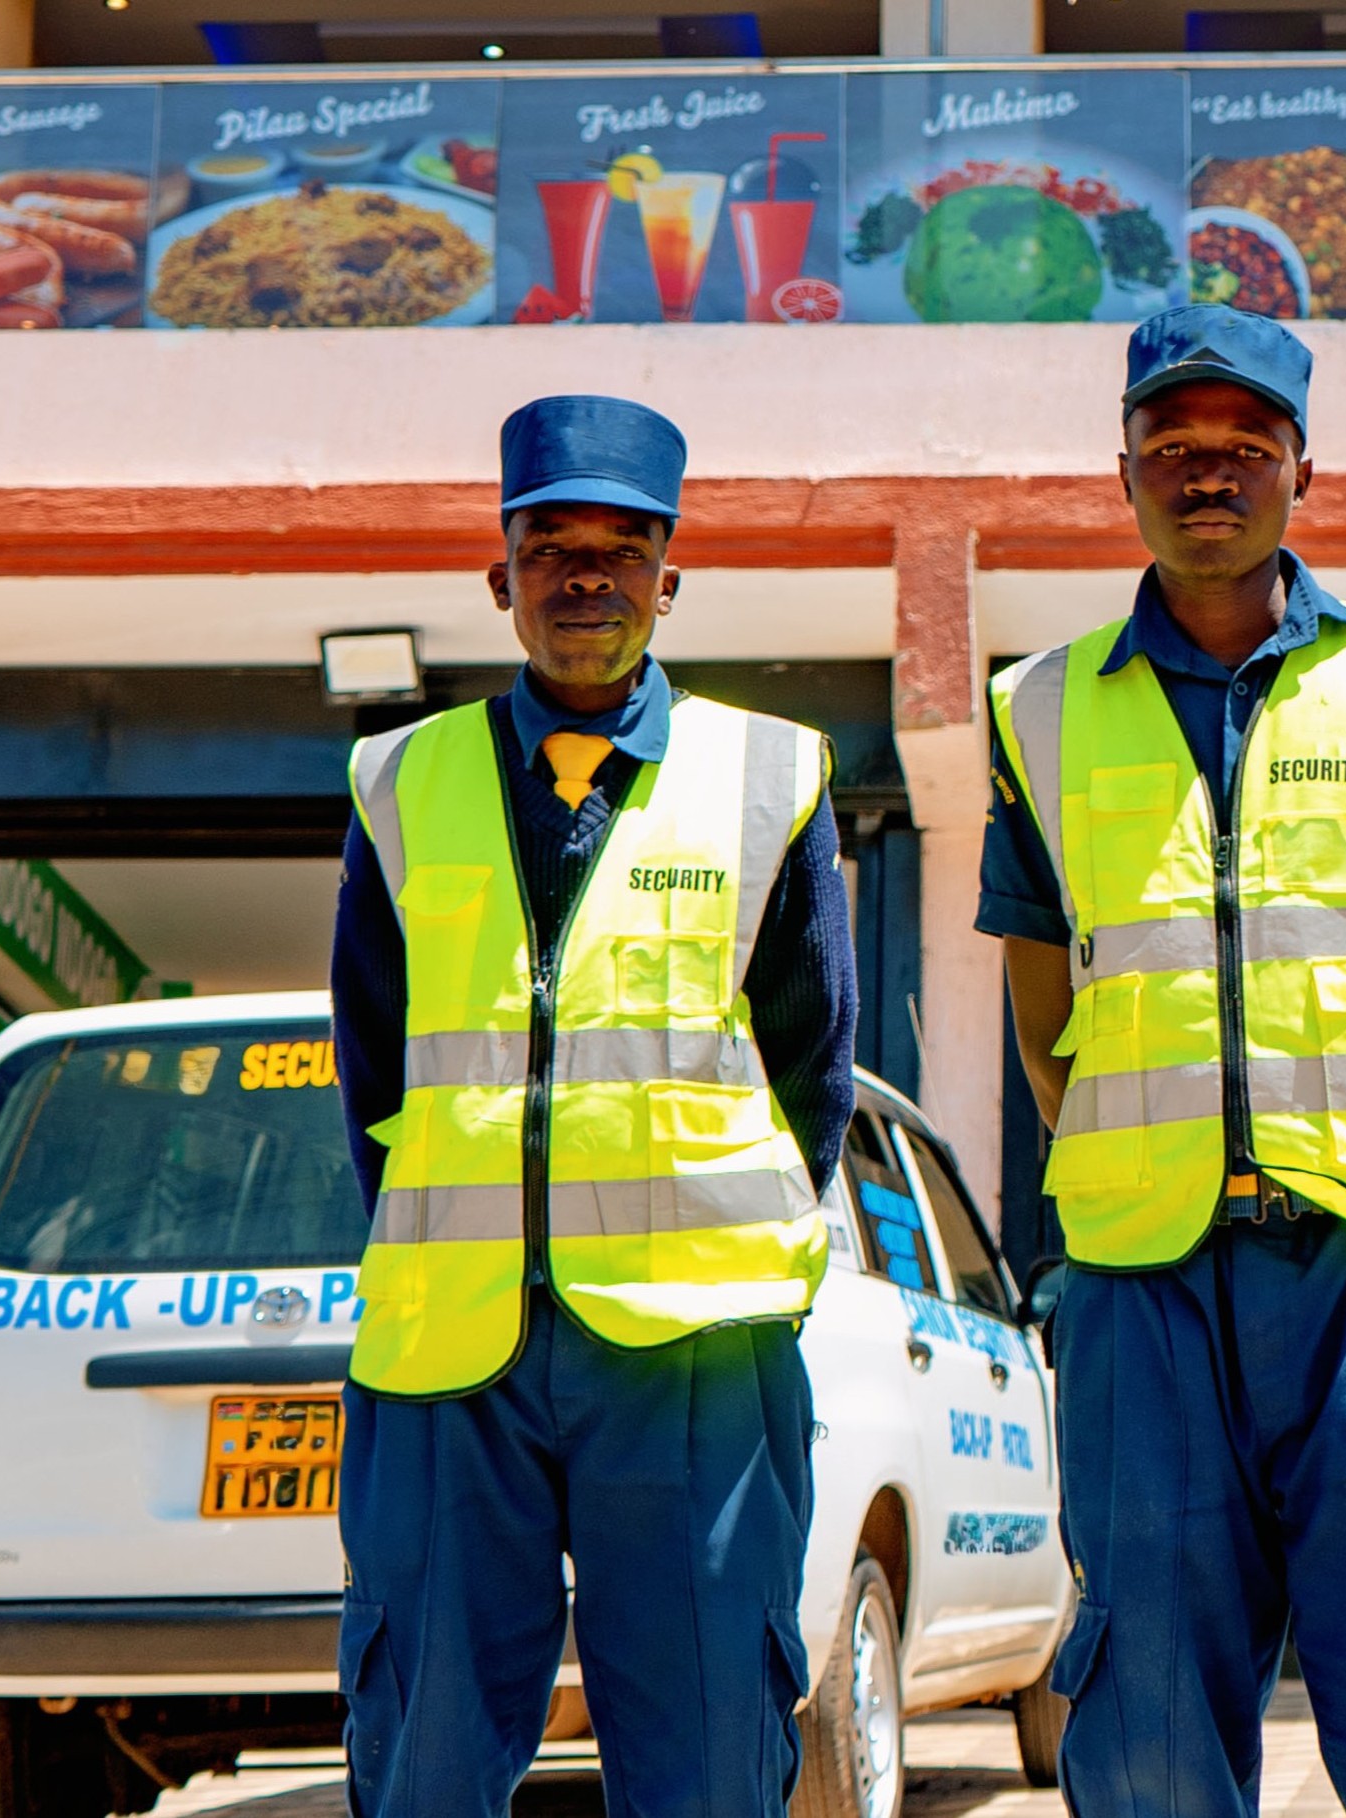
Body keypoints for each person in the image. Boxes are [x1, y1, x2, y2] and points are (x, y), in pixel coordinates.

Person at [978, 305, 1346, 1818]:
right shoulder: (1034, 710)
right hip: (1139, 1285)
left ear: (1304, 467)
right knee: (1151, 1724)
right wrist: (1155, 1169)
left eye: (1245, 447)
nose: (1208, 474)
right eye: (1173, 448)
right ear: (1123, 475)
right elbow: (1045, 1031)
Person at [329, 393, 857, 1818]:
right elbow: (372, 1062)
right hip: (452, 1357)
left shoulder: (769, 775)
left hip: (690, 1359)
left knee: (698, 1758)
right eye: (548, 545)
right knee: (425, 1750)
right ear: (498, 575)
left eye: (620, 549)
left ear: (668, 579)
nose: (584, 576)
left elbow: (813, 1069)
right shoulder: (400, 781)